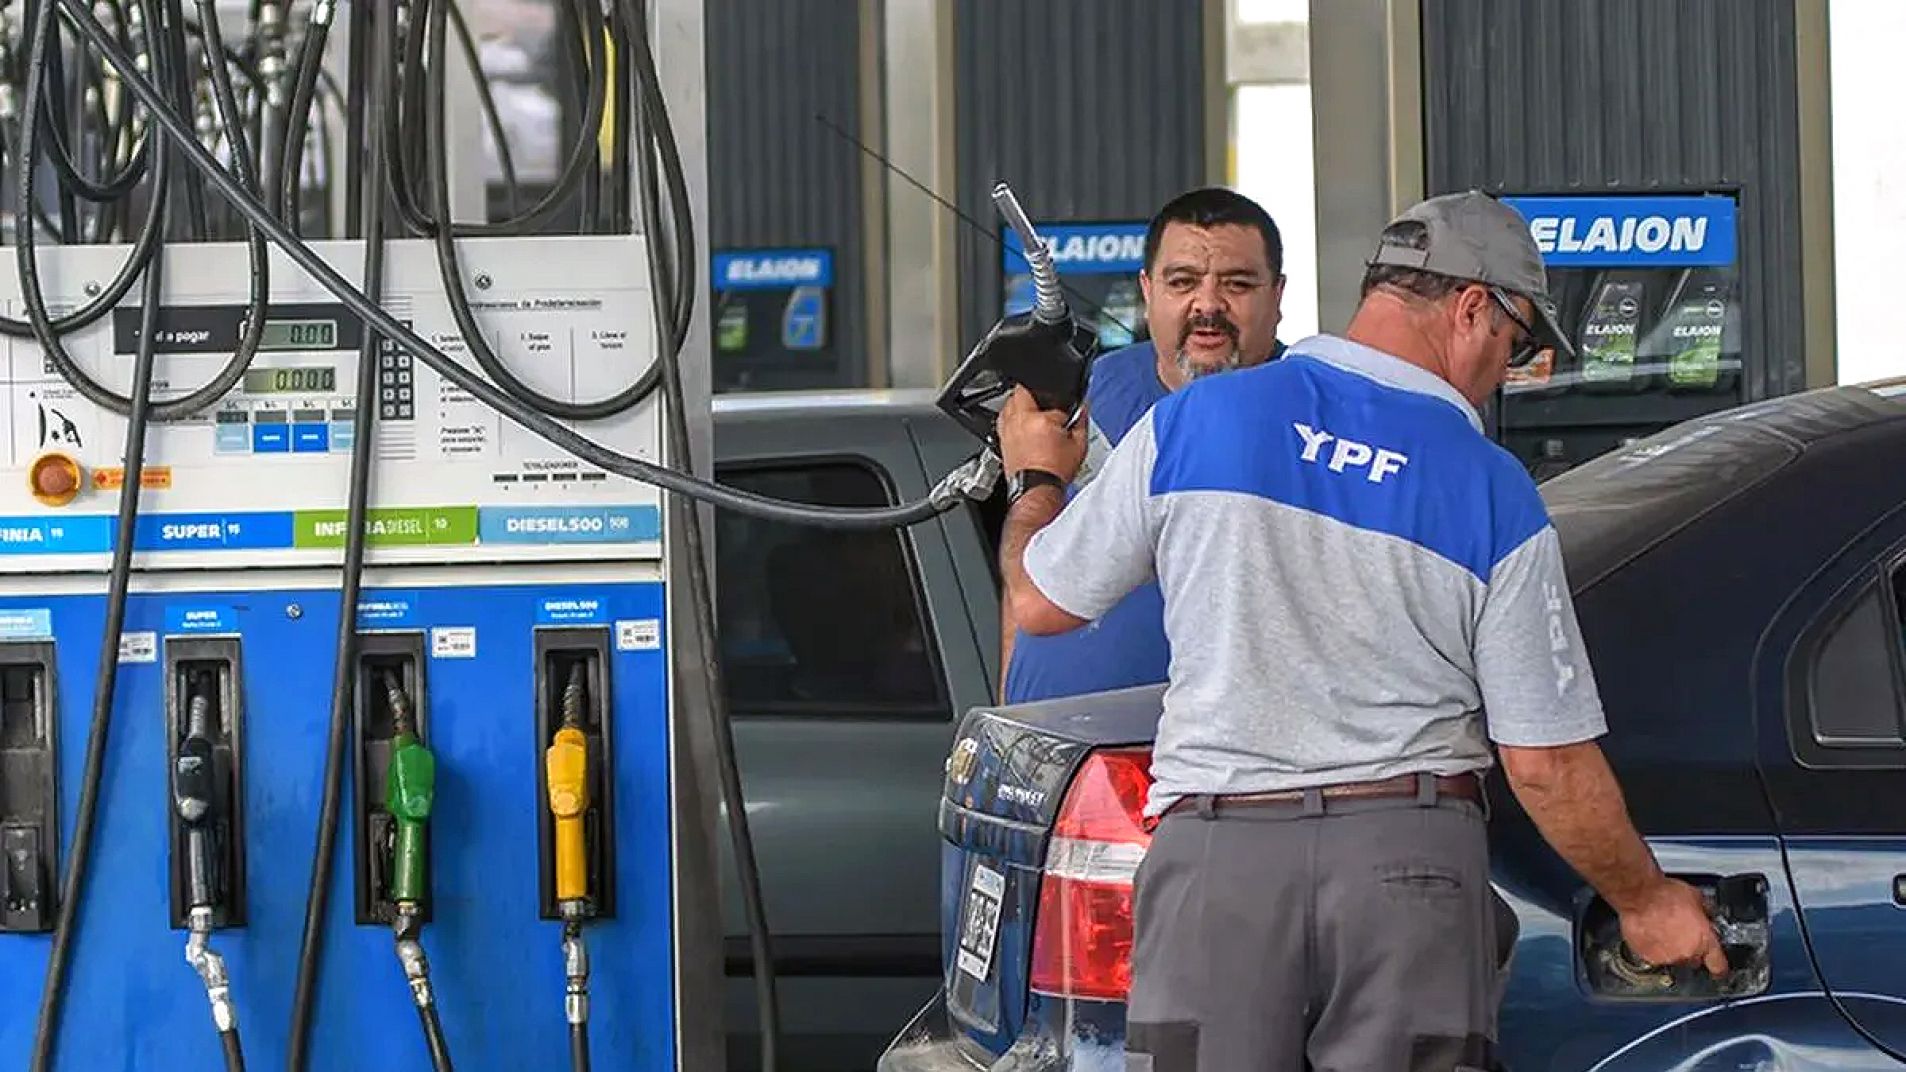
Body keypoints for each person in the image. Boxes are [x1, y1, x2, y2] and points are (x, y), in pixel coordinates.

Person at [994, 190, 1725, 1070]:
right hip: (1403, 876)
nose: (1507, 368)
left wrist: (1036, 477)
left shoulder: (1193, 423)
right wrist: (1645, 902)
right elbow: (1544, 760)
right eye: (1518, 341)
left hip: (1216, 872)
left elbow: (1039, 600)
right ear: (1471, 308)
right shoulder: (1488, 488)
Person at [999, 186, 1288, 704]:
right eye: (1182, 282)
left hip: (1209, 768)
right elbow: (1029, 564)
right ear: (1147, 290)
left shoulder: (1312, 411)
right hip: (1049, 754)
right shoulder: (1088, 390)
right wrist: (1007, 716)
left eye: (1238, 284)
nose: (1208, 305)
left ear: (1278, 296)